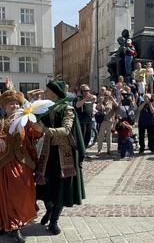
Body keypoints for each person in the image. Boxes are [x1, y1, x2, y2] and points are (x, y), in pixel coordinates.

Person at [36, 80, 85, 235]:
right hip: (47, 152)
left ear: (54, 93)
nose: (45, 92)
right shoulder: (46, 107)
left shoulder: (67, 108)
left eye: (47, 90)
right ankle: (49, 210)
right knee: (43, 187)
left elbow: (66, 130)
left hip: (63, 154)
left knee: (60, 190)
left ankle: (54, 221)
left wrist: (44, 129)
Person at [0, 90, 43, 243]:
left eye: (17, 103)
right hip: (4, 164)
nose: (15, 105)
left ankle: (16, 223)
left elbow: (34, 134)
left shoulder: (25, 120)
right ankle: (9, 226)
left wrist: (39, 130)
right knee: (5, 196)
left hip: (22, 163)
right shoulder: (1, 122)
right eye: (11, 103)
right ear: (5, 107)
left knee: (22, 194)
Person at [96, 91, 118, 156]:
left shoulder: (112, 102)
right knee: (101, 135)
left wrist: (113, 99)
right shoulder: (101, 101)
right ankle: (99, 150)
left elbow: (117, 106)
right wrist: (100, 102)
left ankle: (109, 149)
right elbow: (97, 108)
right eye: (105, 94)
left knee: (109, 135)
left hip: (110, 120)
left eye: (107, 95)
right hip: (102, 121)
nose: (106, 96)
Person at [75, 84, 96, 148]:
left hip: (89, 120)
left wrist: (94, 100)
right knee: (82, 137)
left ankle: (85, 150)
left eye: (88, 90)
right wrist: (85, 99)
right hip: (82, 121)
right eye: (85, 91)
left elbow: (91, 106)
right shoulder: (79, 98)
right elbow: (77, 105)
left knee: (88, 136)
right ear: (81, 91)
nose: (87, 92)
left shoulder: (90, 98)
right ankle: (80, 151)